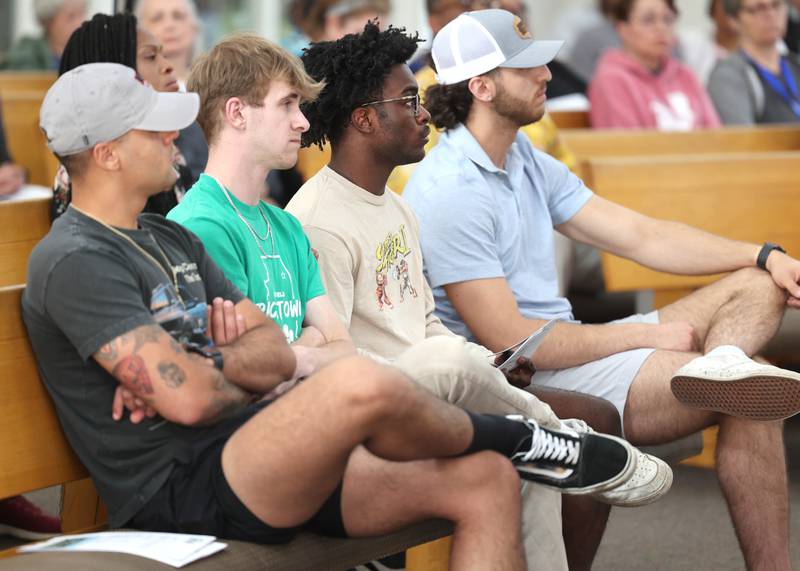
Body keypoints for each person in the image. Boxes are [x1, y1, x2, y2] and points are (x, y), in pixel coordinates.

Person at [25, 61, 638, 570]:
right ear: (106, 154)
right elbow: (186, 404)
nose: (172, 140)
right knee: (350, 377)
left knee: (484, 480)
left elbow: (265, 348)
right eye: (152, 132)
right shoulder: (76, 259)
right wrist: (239, 364)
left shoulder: (168, 239)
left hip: (261, 448)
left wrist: (217, 361)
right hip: (184, 484)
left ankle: (522, 446)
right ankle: (526, 437)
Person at [404, 9, 800, 570]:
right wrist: (643, 334)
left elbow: (643, 235)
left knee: (758, 286)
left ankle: (725, 361)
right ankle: (728, 368)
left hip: (579, 349)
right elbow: (515, 343)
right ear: (481, 86)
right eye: (526, 67)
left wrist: (764, 253)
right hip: (528, 376)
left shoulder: (524, 158)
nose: (546, 74)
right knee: (753, 395)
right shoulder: (448, 189)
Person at [286, 22, 672, 571]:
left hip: (441, 383)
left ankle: (557, 449)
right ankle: (570, 444)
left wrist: (487, 364)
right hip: (386, 404)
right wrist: (458, 368)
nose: (425, 115)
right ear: (365, 118)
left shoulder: (395, 208)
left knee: (527, 454)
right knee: (517, 410)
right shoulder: (319, 219)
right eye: (409, 101)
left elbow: (426, 320)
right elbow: (337, 354)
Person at [51, 12, 195, 220]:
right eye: (151, 56)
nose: (168, 65)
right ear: (112, 71)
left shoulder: (171, 152)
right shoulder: (87, 172)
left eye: (163, 54)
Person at [589, 0, 721, 130]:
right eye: (648, 20)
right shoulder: (612, 80)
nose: (661, 28)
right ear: (623, 29)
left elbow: (715, 135)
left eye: (667, 19)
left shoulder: (685, 75)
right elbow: (626, 146)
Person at [708, 0, 800, 124]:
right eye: (758, 8)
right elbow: (744, 140)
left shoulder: (794, 64)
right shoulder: (728, 75)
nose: (770, 14)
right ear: (734, 20)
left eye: (776, 5)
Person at [3, 0, 86, 71]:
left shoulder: (88, 52)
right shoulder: (27, 53)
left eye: (82, 14)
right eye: (71, 17)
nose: (80, 22)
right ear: (48, 21)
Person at [134, 0, 199, 88]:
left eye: (178, 16)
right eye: (157, 18)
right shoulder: (134, 89)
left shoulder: (213, 86)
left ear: (194, 27)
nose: (169, 25)